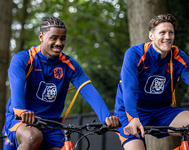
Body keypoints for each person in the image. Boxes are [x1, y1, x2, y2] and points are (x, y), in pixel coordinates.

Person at [4, 17, 120, 150]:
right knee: (32, 137)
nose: (59, 43)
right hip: (21, 121)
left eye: (62, 38)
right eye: (53, 38)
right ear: (41, 36)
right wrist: (21, 111)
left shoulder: (69, 65)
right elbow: (17, 85)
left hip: (51, 126)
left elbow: (89, 91)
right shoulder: (23, 59)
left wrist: (107, 117)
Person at [114, 13, 189, 150]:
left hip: (161, 111)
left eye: (171, 32)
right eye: (162, 32)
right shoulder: (135, 54)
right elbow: (129, 89)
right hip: (131, 111)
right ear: (151, 36)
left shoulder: (178, 56)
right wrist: (133, 118)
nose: (167, 37)